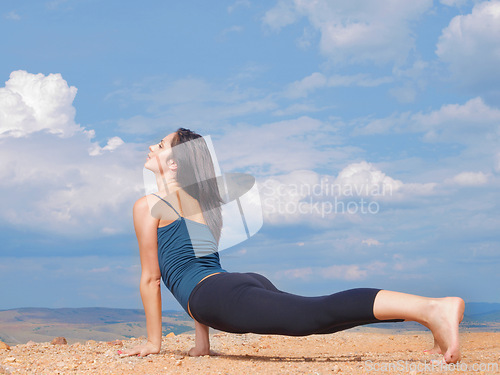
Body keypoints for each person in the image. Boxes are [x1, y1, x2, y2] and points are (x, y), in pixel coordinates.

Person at [121, 128, 464, 364]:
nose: (152, 147)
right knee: (316, 316)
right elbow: (205, 267)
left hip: (218, 293)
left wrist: (154, 343)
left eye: (161, 145)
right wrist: (202, 343)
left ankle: (434, 309)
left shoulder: (148, 205)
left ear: (174, 162)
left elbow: (153, 278)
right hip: (232, 284)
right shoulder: (199, 201)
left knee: (314, 315)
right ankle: (430, 318)